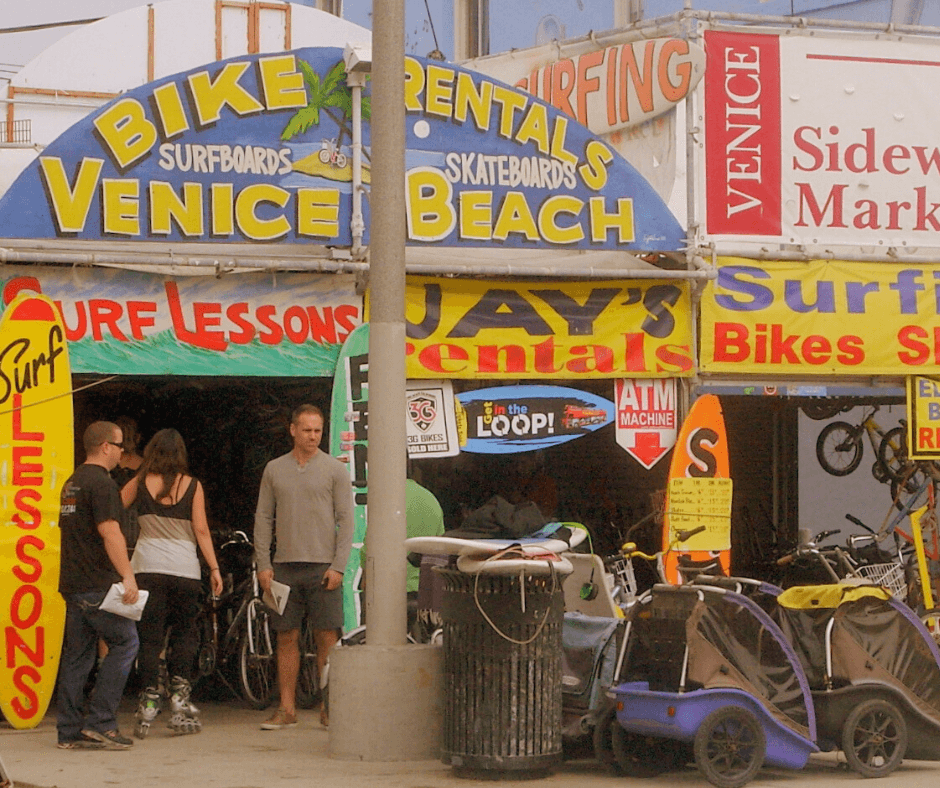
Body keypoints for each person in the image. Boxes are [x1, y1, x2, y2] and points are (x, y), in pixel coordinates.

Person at [253, 404, 353, 731]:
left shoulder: (335, 470)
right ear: (293, 430)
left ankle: (330, 707)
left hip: (323, 566)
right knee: (286, 637)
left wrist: (339, 565)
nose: (313, 436)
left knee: (328, 639)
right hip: (283, 568)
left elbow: (346, 520)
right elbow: (264, 517)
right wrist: (263, 564)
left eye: (318, 431)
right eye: (307, 430)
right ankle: (287, 708)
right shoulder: (274, 469)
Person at [120, 428, 223, 738]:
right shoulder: (192, 486)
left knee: (149, 639)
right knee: (185, 635)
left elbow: (111, 510)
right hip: (185, 572)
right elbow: (201, 531)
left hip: (147, 571)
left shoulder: (138, 483)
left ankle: (149, 697)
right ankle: (180, 697)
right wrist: (214, 568)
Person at [57, 421, 140, 750]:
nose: (122, 452)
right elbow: (110, 532)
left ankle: (69, 731)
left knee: (77, 657)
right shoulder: (102, 484)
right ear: (106, 446)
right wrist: (128, 575)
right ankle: (101, 722)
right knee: (125, 644)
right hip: (97, 583)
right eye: (120, 446)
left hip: (73, 583)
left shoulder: (72, 482)